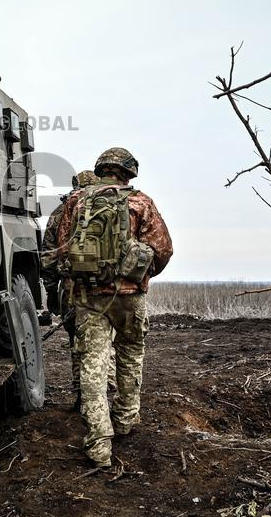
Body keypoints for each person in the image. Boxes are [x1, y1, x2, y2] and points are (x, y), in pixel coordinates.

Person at [56, 148, 172, 467]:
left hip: (88, 296)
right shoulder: (140, 202)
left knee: (93, 361)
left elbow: (61, 245)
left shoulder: (77, 201)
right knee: (131, 352)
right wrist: (141, 275)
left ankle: (98, 444)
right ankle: (124, 420)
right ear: (128, 171)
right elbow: (163, 249)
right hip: (129, 296)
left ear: (101, 169)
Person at [41, 170, 99, 408]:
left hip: (72, 288)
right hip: (108, 288)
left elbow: (48, 256)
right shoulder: (109, 207)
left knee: (78, 343)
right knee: (106, 342)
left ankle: (81, 397)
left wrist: (52, 293)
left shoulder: (60, 212)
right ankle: (107, 397)